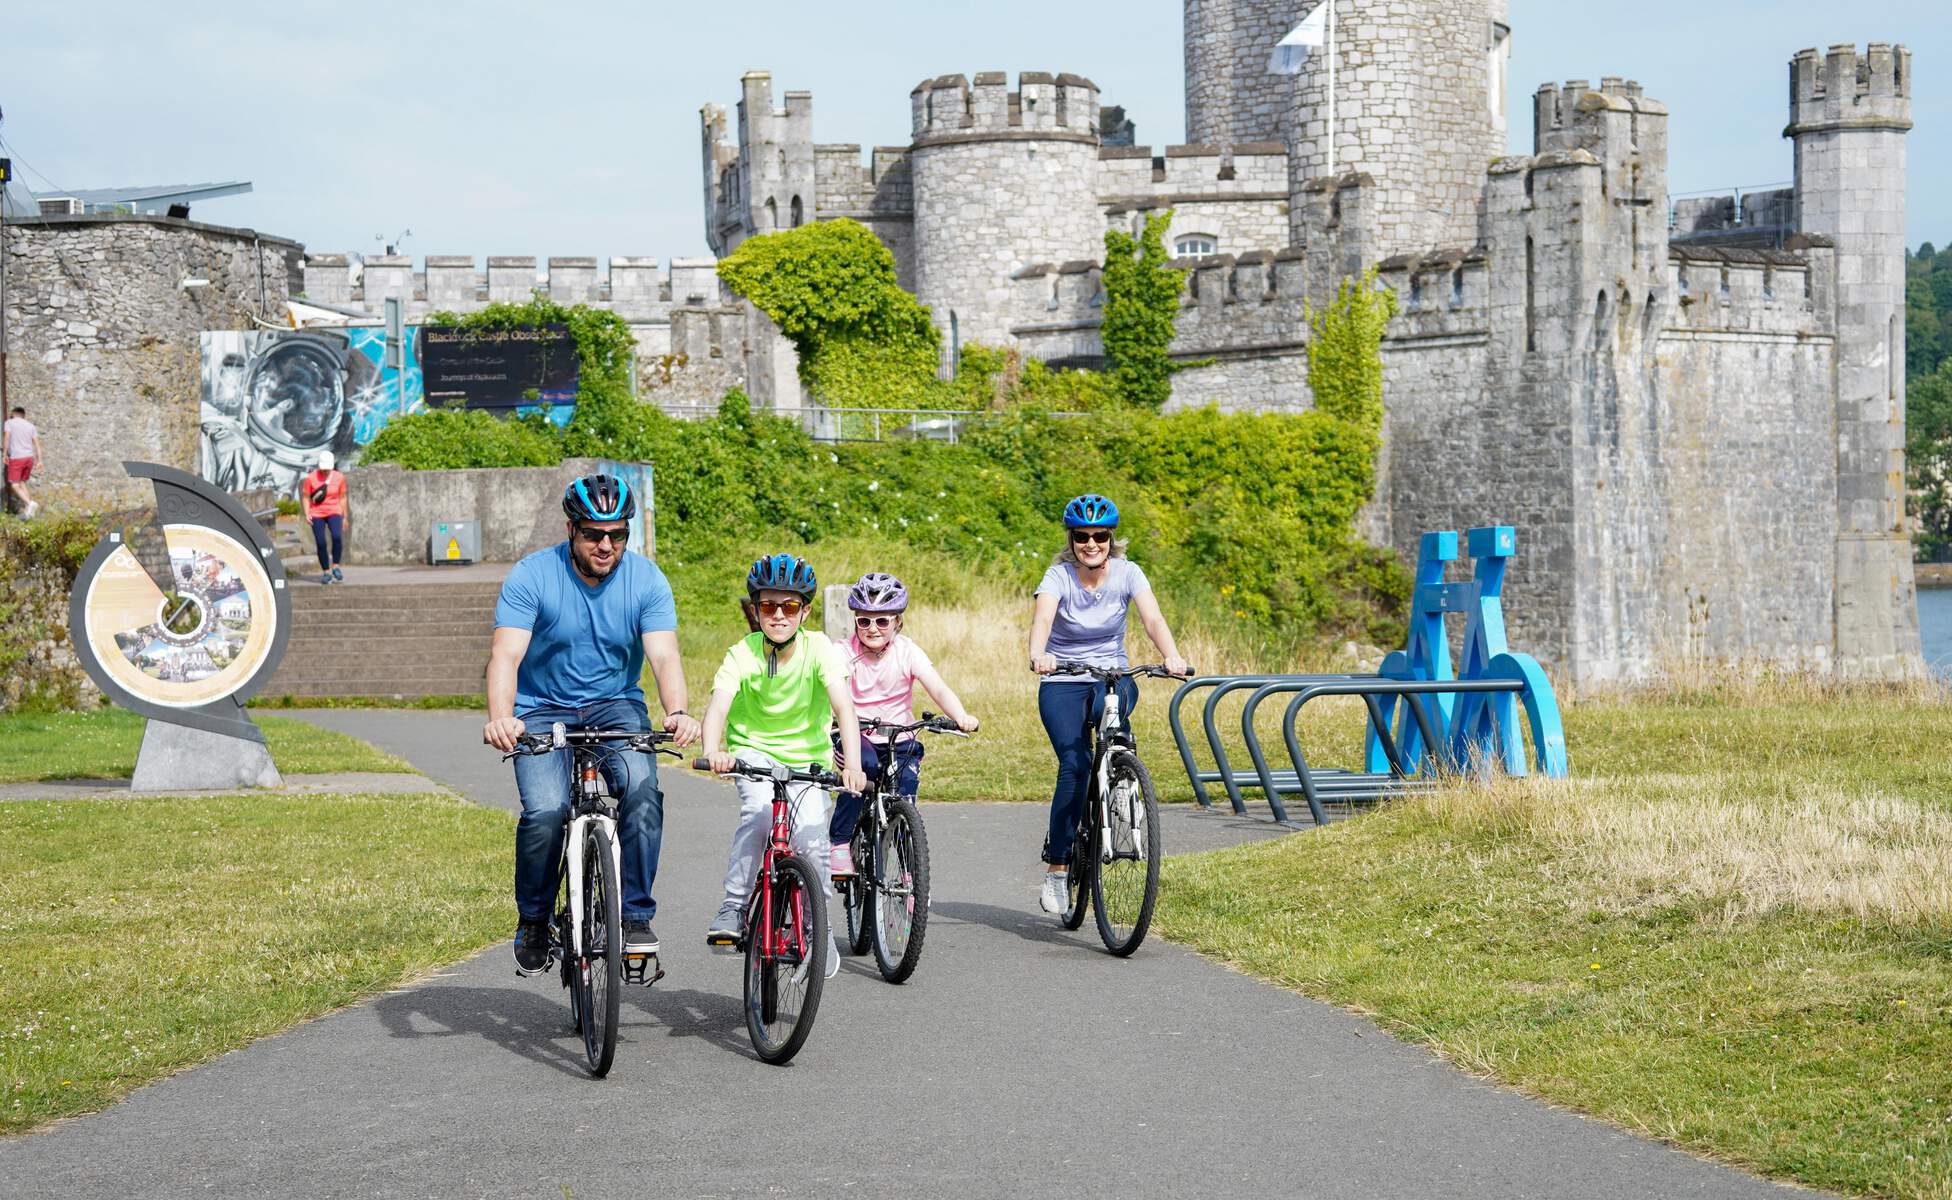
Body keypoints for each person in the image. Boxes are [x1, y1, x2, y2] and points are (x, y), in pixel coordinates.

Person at [482, 473, 702, 976]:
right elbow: (505, 656)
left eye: (617, 534)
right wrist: (501, 717)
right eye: (593, 534)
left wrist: (678, 710)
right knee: (545, 810)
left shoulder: (647, 580)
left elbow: (664, 657)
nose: (606, 545)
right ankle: (535, 920)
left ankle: (636, 918)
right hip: (541, 707)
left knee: (643, 788)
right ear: (571, 530)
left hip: (615, 705)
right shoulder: (532, 575)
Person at [699, 553, 867, 977]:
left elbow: (844, 708)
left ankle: (817, 928)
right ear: (755, 610)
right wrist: (713, 748)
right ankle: (734, 907)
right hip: (753, 753)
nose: (778, 615)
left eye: (789, 606)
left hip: (808, 759)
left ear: (805, 611)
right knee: (758, 817)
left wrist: (852, 766)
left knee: (812, 840)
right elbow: (718, 705)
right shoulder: (742, 652)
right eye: (769, 606)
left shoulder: (820, 650)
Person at [1026, 494, 1189, 915]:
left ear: (1111, 538)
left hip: (1112, 674)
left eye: (1100, 536)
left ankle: (1121, 782)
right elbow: (1043, 618)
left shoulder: (1128, 573)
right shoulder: (1058, 576)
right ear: (1072, 539)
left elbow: (1152, 619)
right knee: (1075, 765)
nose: (1091, 544)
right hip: (1062, 678)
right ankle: (1058, 869)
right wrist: (1038, 653)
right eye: (1082, 537)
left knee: (1113, 716)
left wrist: (1171, 655)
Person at [827, 572, 979, 877]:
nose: (872, 629)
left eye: (882, 621)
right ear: (854, 621)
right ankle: (840, 843)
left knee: (906, 792)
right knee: (863, 770)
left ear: (898, 622)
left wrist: (961, 715)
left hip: (899, 735)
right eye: (864, 621)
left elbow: (937, 688)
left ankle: (912, 877)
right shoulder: (843, 652)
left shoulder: (907, 650)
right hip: (857, 735)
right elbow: (834, 695)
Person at [301, 451, 348, 585]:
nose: (326, 471)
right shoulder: (311, 478)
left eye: (328, 469)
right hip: (317, 513)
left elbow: (343, 497)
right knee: (321, 542)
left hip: (334, 510)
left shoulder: (339, 477)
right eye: (324, 469)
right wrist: (307, 513)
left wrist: (345, 516)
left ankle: (336, 566)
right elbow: (305, 497)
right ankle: (326, 571)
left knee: (337, 537)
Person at [4, 405, 43, 519]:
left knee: (14, 485)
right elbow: (37, 444)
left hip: (17, 457)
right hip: (29, 458)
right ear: (23, 415)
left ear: (13, 414)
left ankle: (30, 503)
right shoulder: (30, 426)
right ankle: (29, 512)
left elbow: (7, 437)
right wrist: (40, 461)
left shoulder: (9, 423)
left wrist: (4, 454)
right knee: (22, 482)